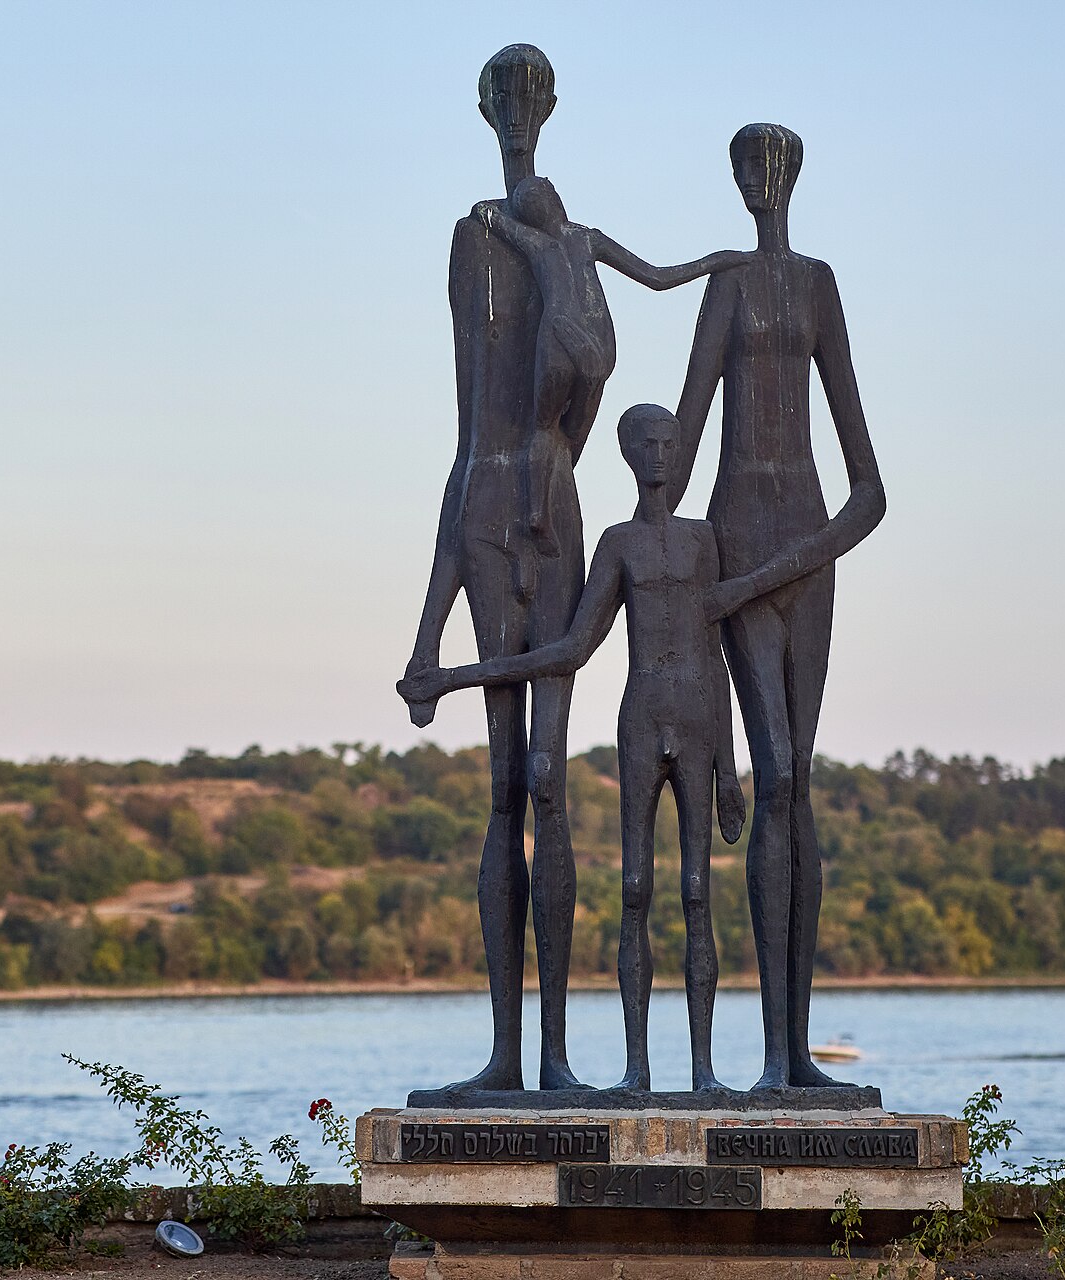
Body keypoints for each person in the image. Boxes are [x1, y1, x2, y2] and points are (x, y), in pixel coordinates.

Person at [402, 45, 745, 1095]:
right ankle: (511, 1052)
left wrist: (558, 256)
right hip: (488, 508)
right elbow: (466, 431)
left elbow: (588, 373)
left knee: (550, 779)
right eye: (507, 102)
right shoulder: (471, 245)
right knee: (507, 784)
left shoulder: (563, 245)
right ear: (489, 111)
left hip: (548, 501)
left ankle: (554, 1052)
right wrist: (428, 626)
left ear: (544, 113)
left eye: (531, 102)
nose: (519, 118)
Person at [401, 404, 747, 1092]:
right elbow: (569, 649)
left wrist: (732, 770)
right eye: (645, 443)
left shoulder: (705, 542)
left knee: (698, 891)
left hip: (702, 723)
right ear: (626, 453)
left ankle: (705, 1071)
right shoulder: (618, 544)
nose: (658, 455)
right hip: (642, 721)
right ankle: (637, 1072)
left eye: (669, 444)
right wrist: (460, 675)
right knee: (634, 889)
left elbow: (719, 656)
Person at [675, 123, 887, 1091]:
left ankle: (797, 1052)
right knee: (773, 777)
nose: (756, 181)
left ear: (791, 177)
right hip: (736, 539)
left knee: (799, 779)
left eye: (770, 166)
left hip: (804, 548)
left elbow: (871, 489)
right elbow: (677, 448)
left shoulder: (817, 285)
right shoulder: (723, 287)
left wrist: (803, 554)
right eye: (742, 168)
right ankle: (771, 1055)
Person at [475, 177, 749, 571]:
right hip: (595, 344)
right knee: (570, 436)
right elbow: (657, 277)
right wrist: (716, 261)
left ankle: (537, 510)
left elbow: (487, 217)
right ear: (557, 199)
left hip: (555, 337)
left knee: (543, 426)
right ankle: (555, 483)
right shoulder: (587, 239)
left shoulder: (537, 243)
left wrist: (491, 207)